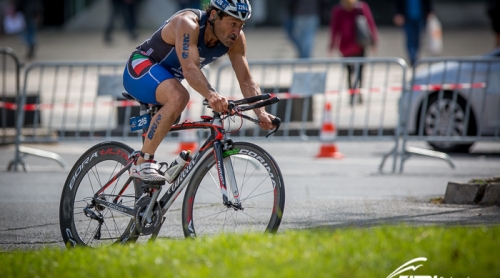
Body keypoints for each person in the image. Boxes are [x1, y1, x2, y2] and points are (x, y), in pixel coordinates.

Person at [123, 0, 277, 182]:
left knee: (175, 102)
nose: (237, 31)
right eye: (233, 23)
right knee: (179, 96)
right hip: (141, 67)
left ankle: (148, 200)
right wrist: (212, 95)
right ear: (213, 15)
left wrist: (261, 112)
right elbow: (189, 69)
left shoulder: (235, 40)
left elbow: (246, 79)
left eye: (241, 25)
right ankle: (142, 162)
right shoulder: (189, 23)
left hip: (168, 80)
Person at [328, 0, 378, 106]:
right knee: (357, 71)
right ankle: (356, 93)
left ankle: (353, 94)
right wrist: (374, 41)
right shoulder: (358, 7)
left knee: (351, 72)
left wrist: (332, 45)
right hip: (357, 45)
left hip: (350, 45)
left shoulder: (344, 9)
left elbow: (334, 29)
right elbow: (370, 24)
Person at [393, 0, 433, 66]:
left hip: (420, 18)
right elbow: (399, 3)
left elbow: (427, 3)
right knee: (410, 39)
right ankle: (412, 58)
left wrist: (429, 12)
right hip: (408, 19)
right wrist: (398, 14)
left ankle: (416, 56)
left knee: (418, 39)